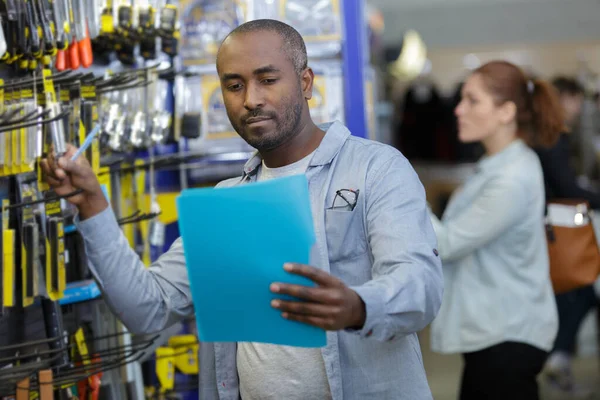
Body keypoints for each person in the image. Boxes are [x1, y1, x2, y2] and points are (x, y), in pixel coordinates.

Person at [41, 20, 443, 400]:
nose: (251, 99)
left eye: (268, 80)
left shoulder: (376, 168)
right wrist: (93, 206)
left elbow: (419, 285)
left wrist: (358, 306)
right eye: (234, 86)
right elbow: (147, 308)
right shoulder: (226, 201)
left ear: (305, 82)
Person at [427, 60, 562, 400]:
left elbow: (445, 242)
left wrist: (401, 191)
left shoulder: (512, 177)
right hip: (497, 332)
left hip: (508, 337)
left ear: (505, 112)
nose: (458, 110)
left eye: (472, 100)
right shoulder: (500, 166)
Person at [536, 76, 600, 394]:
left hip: (550, 225)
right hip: (556, 228)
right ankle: (557, 357)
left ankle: (558, 357)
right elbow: (567, 188)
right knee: (581, 287)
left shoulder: (543, 134)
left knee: (572, 292)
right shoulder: (553, 136)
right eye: (575, 99)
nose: (579, 107)